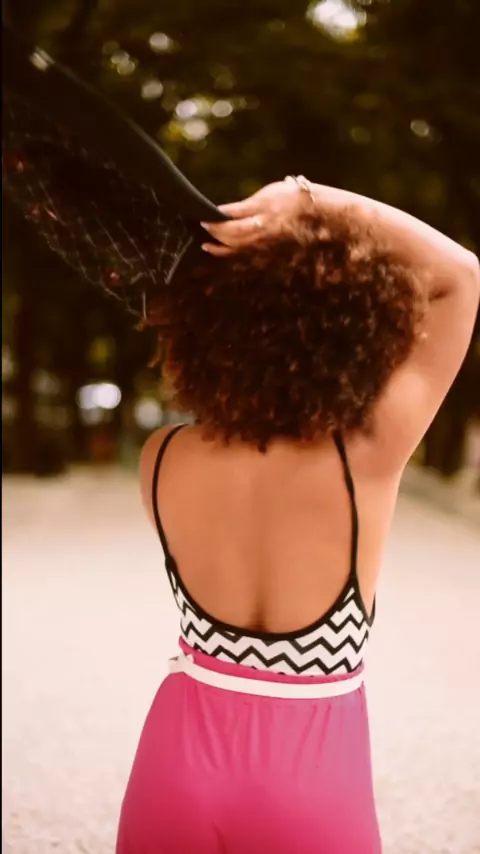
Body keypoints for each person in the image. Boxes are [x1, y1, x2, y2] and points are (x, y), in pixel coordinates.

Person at [116, 177, 479, 853]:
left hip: (175, 763)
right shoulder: (364, 456)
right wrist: (306, 198)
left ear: (205, 329)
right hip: (310, 776)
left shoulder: (161, 456)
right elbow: (460, 276)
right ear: (351, 328)